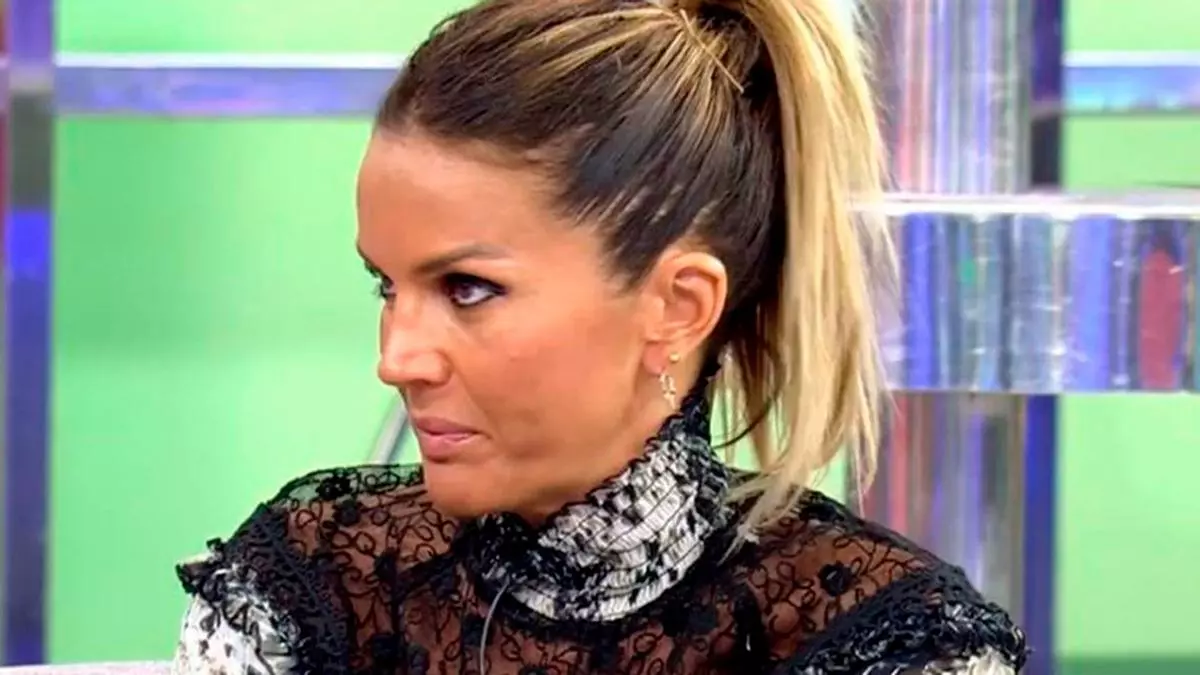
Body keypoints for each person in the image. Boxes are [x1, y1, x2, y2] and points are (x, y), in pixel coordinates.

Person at [170, 0, 1028, 673]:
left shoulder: (890, 644)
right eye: (386, 286)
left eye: (468, 289)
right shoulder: (308, 586)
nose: (396, 359)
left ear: (679, 306)